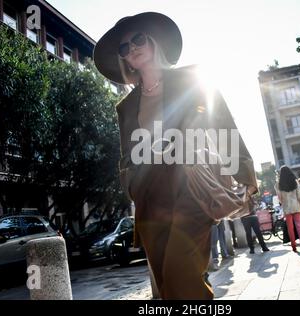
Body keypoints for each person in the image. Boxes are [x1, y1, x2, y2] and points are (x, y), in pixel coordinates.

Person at [93, 12, 258, 300]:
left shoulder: (191, 79)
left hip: (191, 188)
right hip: (150, 201)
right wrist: (131, 187)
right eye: (124, 47)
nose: (131, 47)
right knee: (168, 289)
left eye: (138, 39)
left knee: (180, 277)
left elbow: (223, 125)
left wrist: (243, 176)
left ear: (154, 41)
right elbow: (127, 158)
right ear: (123, 59)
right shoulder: (126, 106)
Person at [275, 166, 300, 254]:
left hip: (287, 208)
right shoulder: (295, 181)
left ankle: (294, 246)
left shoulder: (278, 184)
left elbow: (280, 198)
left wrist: (284, 203)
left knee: (290, 228)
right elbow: (299, 196)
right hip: (296, 206)